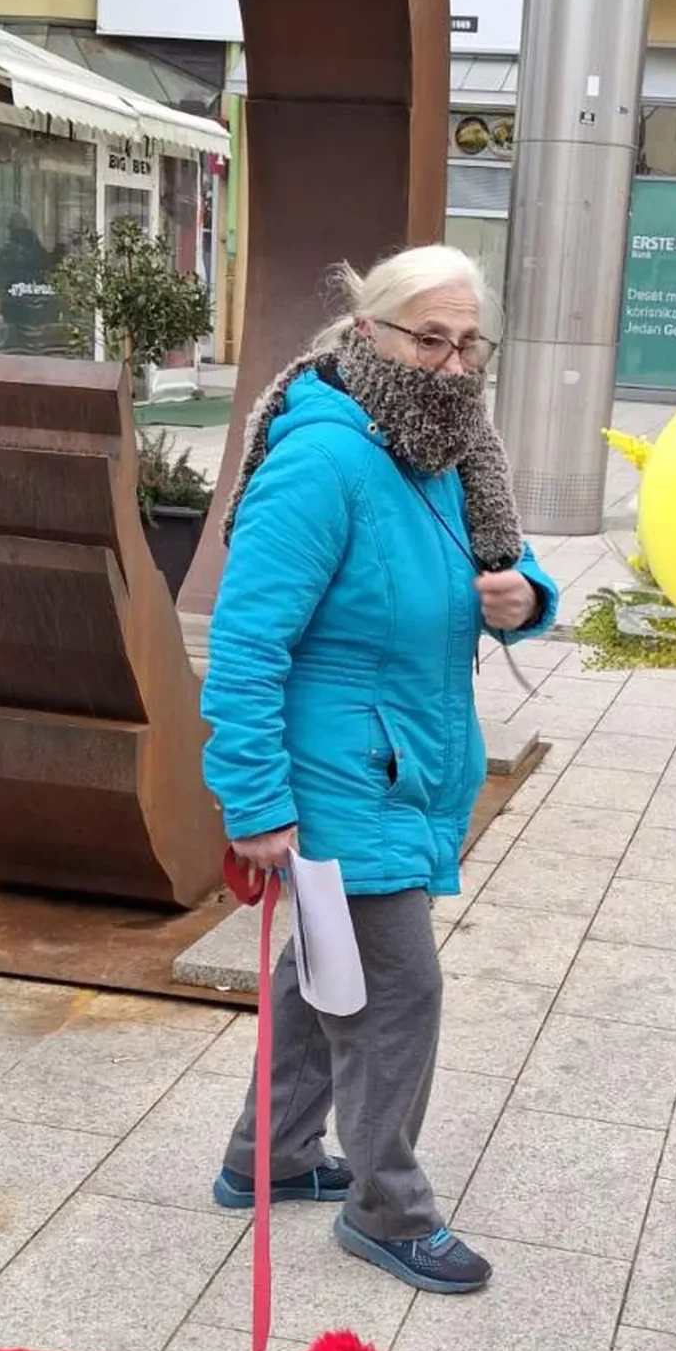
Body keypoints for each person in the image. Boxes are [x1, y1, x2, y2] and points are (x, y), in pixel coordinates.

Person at [200, 245, 558, 1295]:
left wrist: (526, 597)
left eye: (469, 344)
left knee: (324, 973)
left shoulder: (443, 449)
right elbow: (246, 646)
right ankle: (388, 1208)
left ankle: (266, 1158)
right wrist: (254, 802)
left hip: (403, 765)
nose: (452, 365)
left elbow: (494, 565)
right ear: (370, 332)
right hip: (342, 782)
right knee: (399, 992)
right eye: (429, 339)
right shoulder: (325, 459)